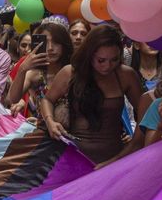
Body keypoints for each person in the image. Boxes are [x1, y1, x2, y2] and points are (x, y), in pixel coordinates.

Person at [40, 24, 144, 166]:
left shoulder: (126, 75)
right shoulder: (70, 73)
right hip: (74, 158)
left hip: (115, 158)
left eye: (114, 60)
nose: (107, 66)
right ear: (89, 54)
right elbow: (47, 100)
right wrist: (50, 122)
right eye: (101, 60)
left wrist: (132, 146)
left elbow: (145, 114)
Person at [6, 22, 72, 117]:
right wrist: (22, 69)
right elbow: (12, 99)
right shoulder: (34, 75)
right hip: (42, 125)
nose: (50, 48)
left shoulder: (72, 72)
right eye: (46, 43)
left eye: (56, 42)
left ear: (64, 44)